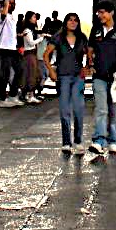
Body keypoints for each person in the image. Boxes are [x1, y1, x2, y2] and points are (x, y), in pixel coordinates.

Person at [87, 0, 116, 157]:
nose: (100, 15)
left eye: (103, 12)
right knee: (101, 109)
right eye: (98, 13)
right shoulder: (96, 30)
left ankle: (113, 141)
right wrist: (90, 63)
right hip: (99, 76)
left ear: (111, 12)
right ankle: (99, 141)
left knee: (114, 111)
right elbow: (90, 49)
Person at [44, 12, 90, 155]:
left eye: (75, 20)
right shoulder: (58, 37)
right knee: (64, 110)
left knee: (78, 109)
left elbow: (89, 53)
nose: (73, 22)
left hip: (78, 77)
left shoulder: (82, 38)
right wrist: (51, 71)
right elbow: (46, 54)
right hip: (63, 76)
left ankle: (77, 141)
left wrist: (87, 66)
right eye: (70, 20)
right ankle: (66, 142)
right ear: (66, 22)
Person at [0, 0, 22, 106]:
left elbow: (10, 33)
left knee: (19, 70)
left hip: (13, 49)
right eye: (10, 3)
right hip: (4, 49)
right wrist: (5, 3)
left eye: (13, 3)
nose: (12, 5)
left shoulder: (12, 17)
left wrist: (18, 38)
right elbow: (4, 14)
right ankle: (2, 99)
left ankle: (13, 95)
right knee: (5, 74)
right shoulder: (2, 15)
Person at [19, 12, 44, 105]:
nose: (35, 19)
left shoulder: (30, 30)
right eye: (33, 17)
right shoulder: (27, 30)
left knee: (30, 74)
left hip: (31, 54)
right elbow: (31, 43)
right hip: (29, 55)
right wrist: (41, 38)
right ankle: (31, 96)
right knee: (32, 74)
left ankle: (29, 95)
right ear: (29, 18)